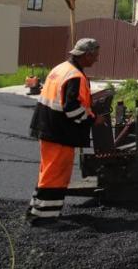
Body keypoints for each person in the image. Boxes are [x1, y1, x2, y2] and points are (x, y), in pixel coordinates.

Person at [27, 38, 105, 225]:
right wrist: (93, 119)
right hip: (58, 133)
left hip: (47, 127)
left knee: (47, 172)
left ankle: (37, 211)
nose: (96, 60)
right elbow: (72, 109)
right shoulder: (75, 76)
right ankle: (45, 218)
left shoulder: (61, 68)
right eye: (95, 56)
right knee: (56, 174)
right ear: (87, 54)